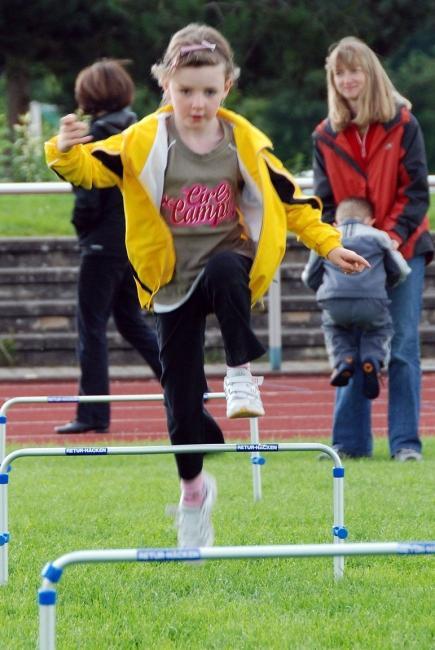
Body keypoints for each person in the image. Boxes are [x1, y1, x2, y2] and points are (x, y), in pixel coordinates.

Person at [45, 23, 368, 547]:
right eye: (186, 91)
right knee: (180, 399)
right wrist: (62, 150)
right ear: (165, 86)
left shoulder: (245, 142)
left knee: (223, 266)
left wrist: (330, 245)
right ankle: (194, 493)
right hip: (171, 280)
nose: (198, 104)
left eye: (210, 92)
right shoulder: (143, 139)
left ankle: (240, 371)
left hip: (229, 268)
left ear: (228, 87)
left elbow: (291, 201)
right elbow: (89, 170)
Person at [313, 36, 433, 461]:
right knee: (351, 343)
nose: (347, 79)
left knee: (400, 346)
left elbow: (416, 191)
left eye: (354, 70)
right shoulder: (325, 135)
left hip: (403, 249)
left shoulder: (403, 125)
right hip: (349, 254)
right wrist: (340, 241)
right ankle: (349, 443)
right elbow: (323, 203)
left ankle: (405, 444)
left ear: (370, 74)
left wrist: (390, 241)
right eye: (339, 72)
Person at [54, 59, 162, 435]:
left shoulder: (96, 134)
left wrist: (84, 232)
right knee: (132, 323)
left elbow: (89, 196)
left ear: (89, 95)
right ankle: (186, 387)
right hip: (131, 242)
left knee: (92, 326)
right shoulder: (136, 130)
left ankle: (93, 414)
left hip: (102, 243)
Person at [302, 197, 410, 400]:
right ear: (370, 220)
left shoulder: (328, 238)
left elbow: (310, 276)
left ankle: (344, 359)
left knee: (334, 327)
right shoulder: (379, 236)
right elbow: (401, 270)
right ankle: (372, 359)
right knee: (380, 328)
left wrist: (325, 290)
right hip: (372, 299)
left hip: (334, 300)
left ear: (335, 222)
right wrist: (387, 284)